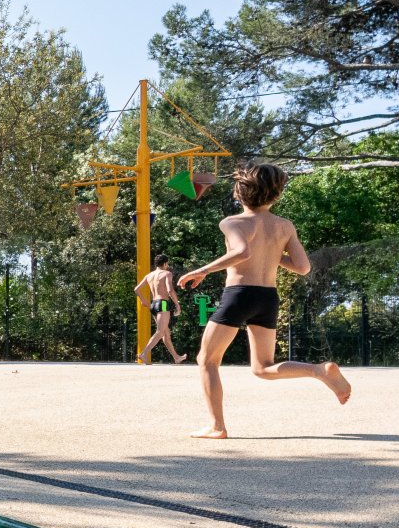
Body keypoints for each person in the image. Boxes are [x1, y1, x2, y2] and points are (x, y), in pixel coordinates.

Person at [178, 162, 351, 438]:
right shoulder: (284, 226)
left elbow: (242, 251)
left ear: (239, 192)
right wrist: (270, 254)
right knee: (263, 368)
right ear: (275, 194)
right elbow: (303, 267)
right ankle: (319, 370)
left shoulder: (232, 222)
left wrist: (203, 270)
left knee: (207, 360)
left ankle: (217, 426)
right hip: (267, 297)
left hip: (239, 294)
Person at [132, 256, 186, 364]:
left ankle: (176, 357)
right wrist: (177, 304)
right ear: (165, 264)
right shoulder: (167, 274)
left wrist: (143, 300)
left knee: (166, 333)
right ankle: (143, 353)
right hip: (163, 304)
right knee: (160, 332)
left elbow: (137, 289)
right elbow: (170, 290)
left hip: (154, 305)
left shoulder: (149, 275)